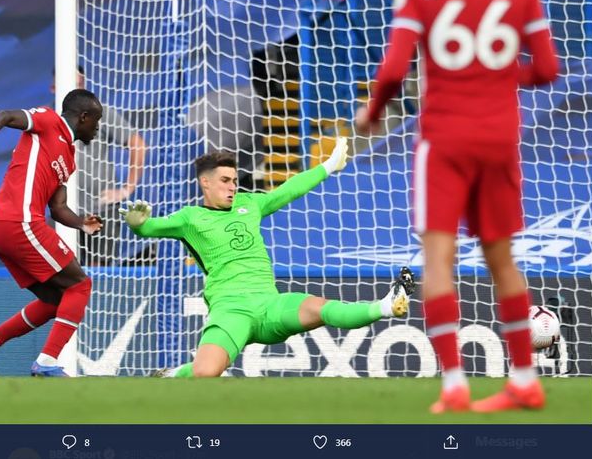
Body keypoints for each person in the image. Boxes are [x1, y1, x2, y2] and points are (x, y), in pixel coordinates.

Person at [355, 0, 558, 412]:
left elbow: (393, 70)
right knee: (503, 261)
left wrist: (372, 114)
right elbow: (547, 68)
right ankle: (524, 380)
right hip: (500, 138)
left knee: (437, 259)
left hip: (444, 139)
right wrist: (498, 76)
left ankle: (454, 386)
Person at [120, 143, 416, 378]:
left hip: (270, 305)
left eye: (235, 180)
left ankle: (386, 305)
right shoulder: (190, 218)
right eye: (225, 181)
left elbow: (289, 190)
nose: (233, 186)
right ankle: (174, 375)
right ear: (205, 183)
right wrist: (137, 223)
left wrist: (327, 166)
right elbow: (150, 228)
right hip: (230, 309)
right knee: (205, 372)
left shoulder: (250, 204)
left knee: (320, 307)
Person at [0, 89, 104, 377]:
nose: (98, 127)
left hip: (2, 229)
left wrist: (81, 223)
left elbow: (58, 208)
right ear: (84, 117)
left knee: (58, 300)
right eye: (97, 120)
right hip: (20, 223)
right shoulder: (47, 120)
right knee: (80, 286)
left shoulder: (69, 157)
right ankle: (47, 361)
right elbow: (4, 115)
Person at [51, 66, 147, 265]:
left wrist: (126, 190)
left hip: (101, 209)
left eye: (78, 84)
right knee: (62, 271)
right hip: (61, 209)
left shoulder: (100, 114)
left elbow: (137, 144)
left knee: (99, 273)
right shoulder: (48, 118)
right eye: (68, 84)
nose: (73, 88)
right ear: (54, 87)